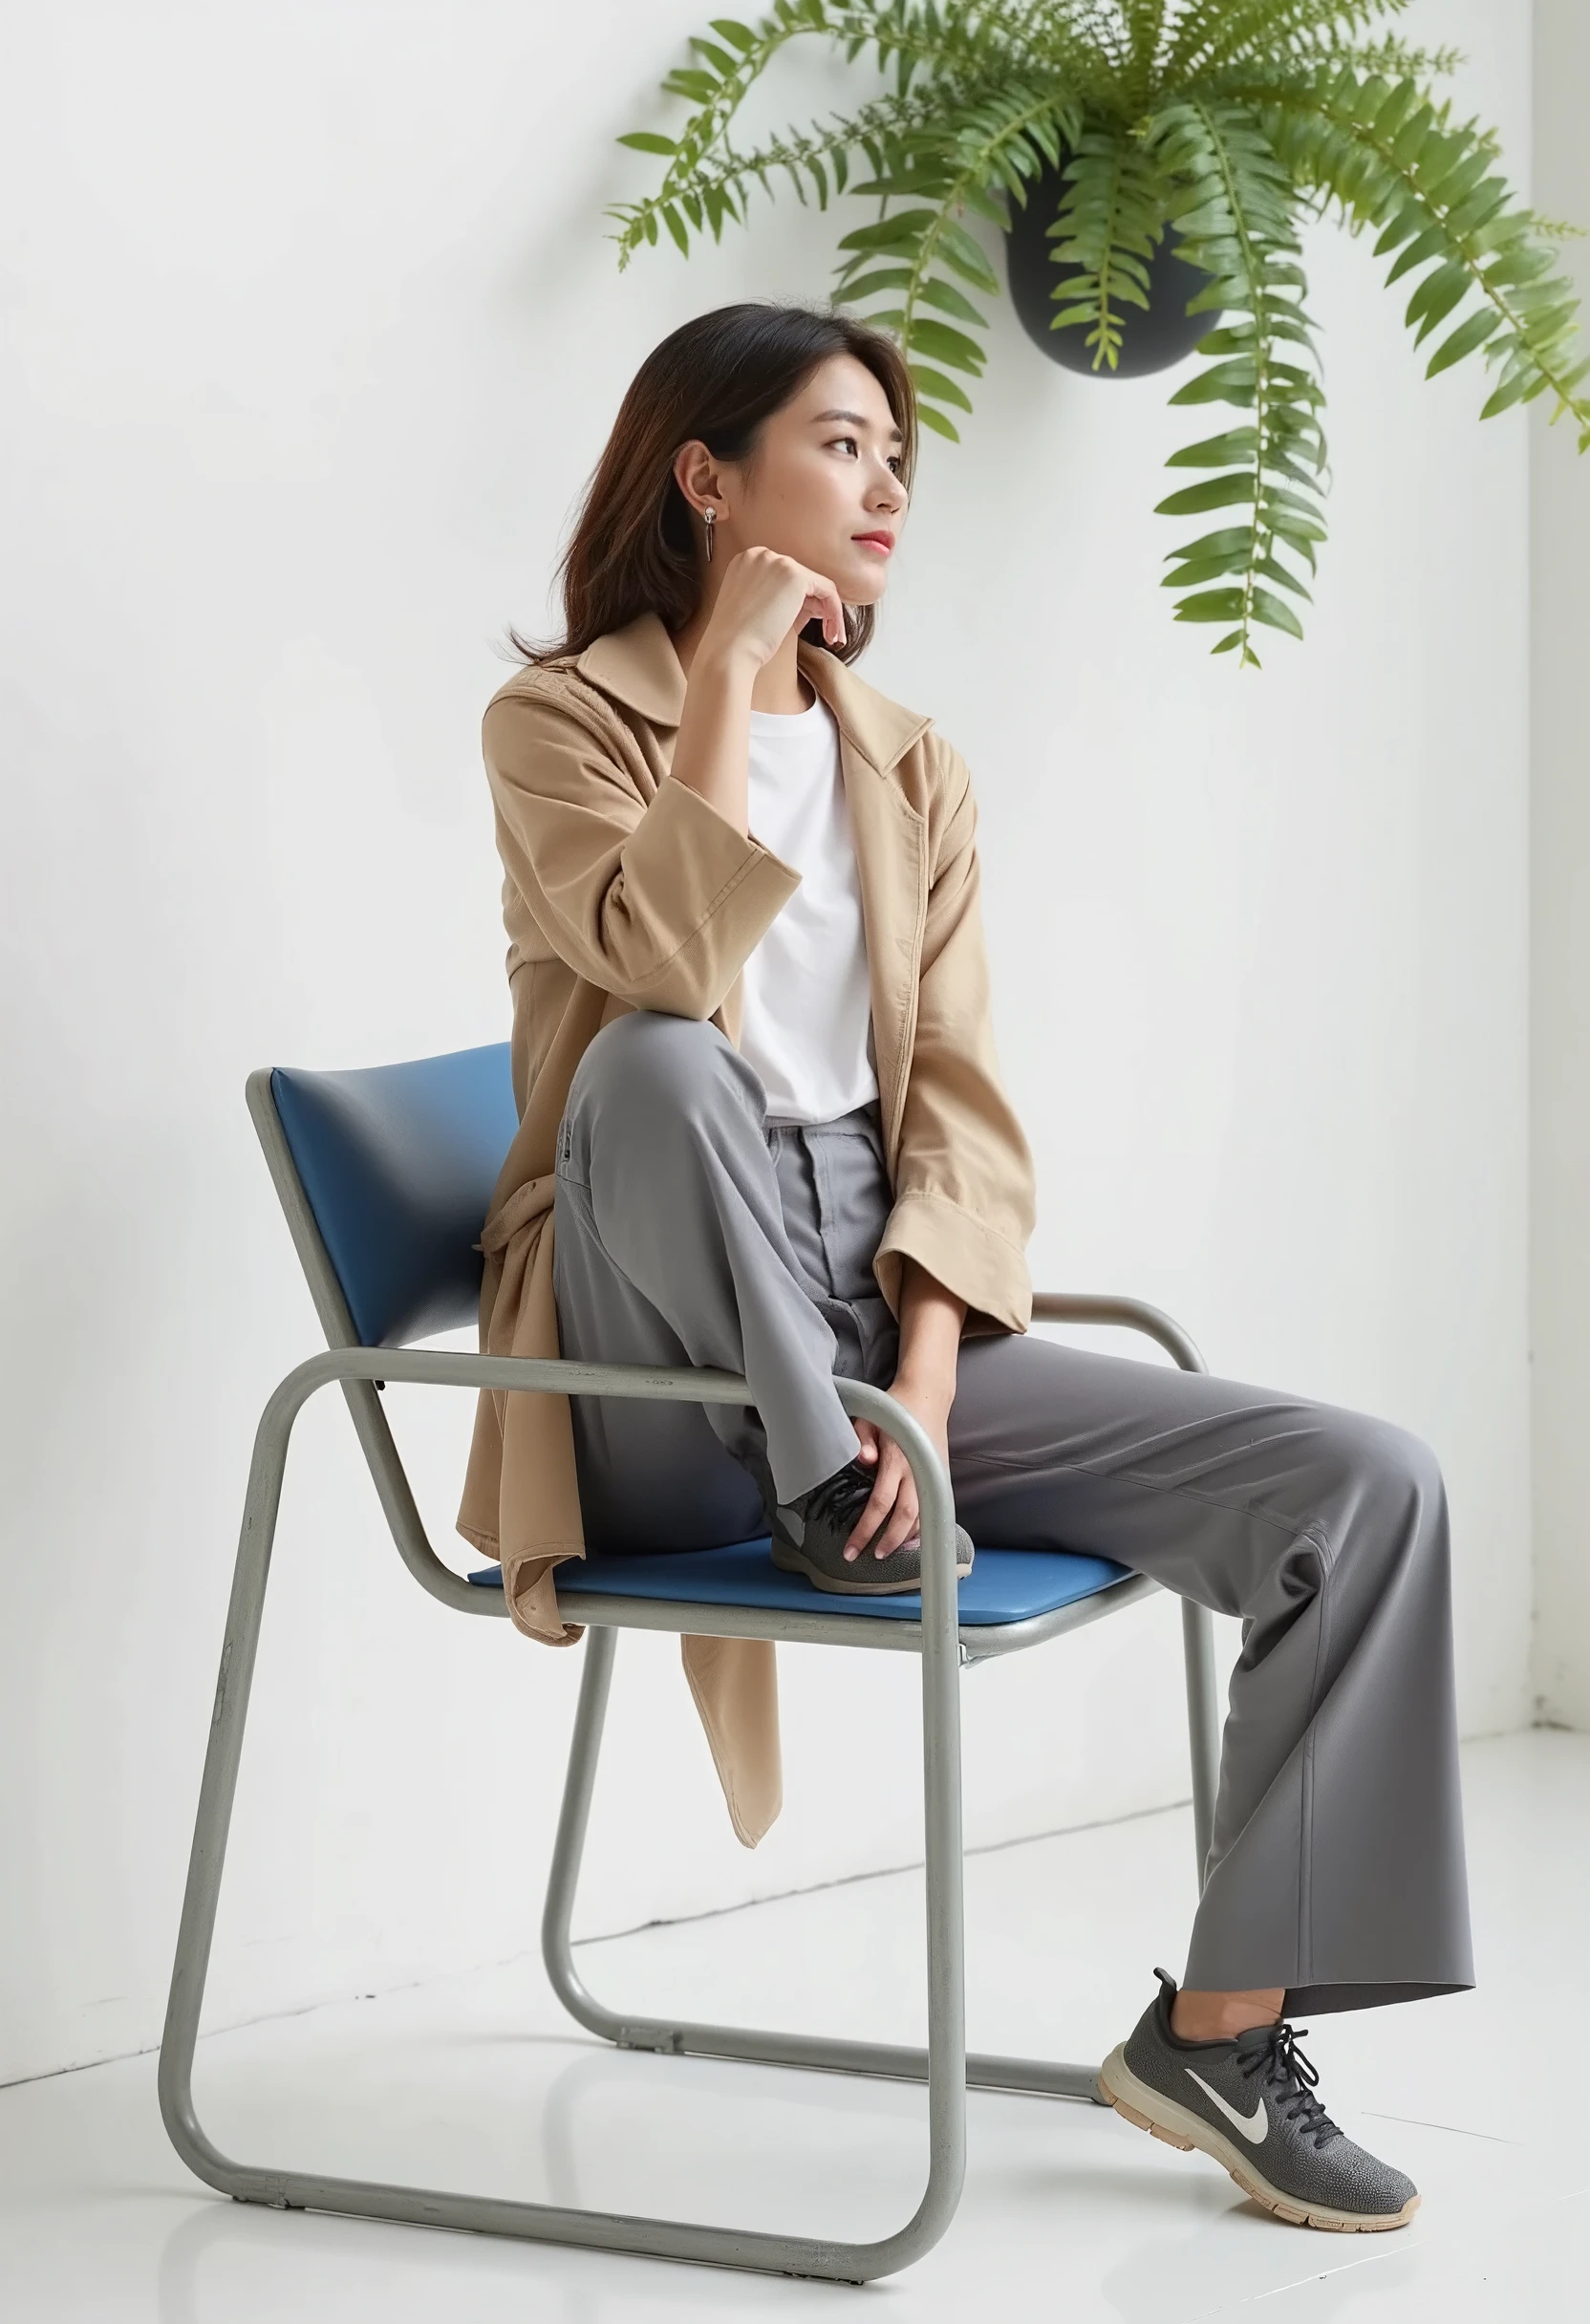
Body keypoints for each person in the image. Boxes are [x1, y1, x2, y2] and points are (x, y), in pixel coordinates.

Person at [456, 301, 1472, 2236]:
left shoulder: (908, 765)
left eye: (895, 451)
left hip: (871, 1318)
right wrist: (721, 690)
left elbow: (959, 1118)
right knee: (660, 1066)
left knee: (1364, 1485)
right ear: (708, 475)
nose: (887, 483)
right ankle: (829, 1477)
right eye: (842, 443)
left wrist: (919, 1386)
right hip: (656, 1371)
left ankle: (1220, 2024)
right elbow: (658, 978)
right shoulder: (558, 723)